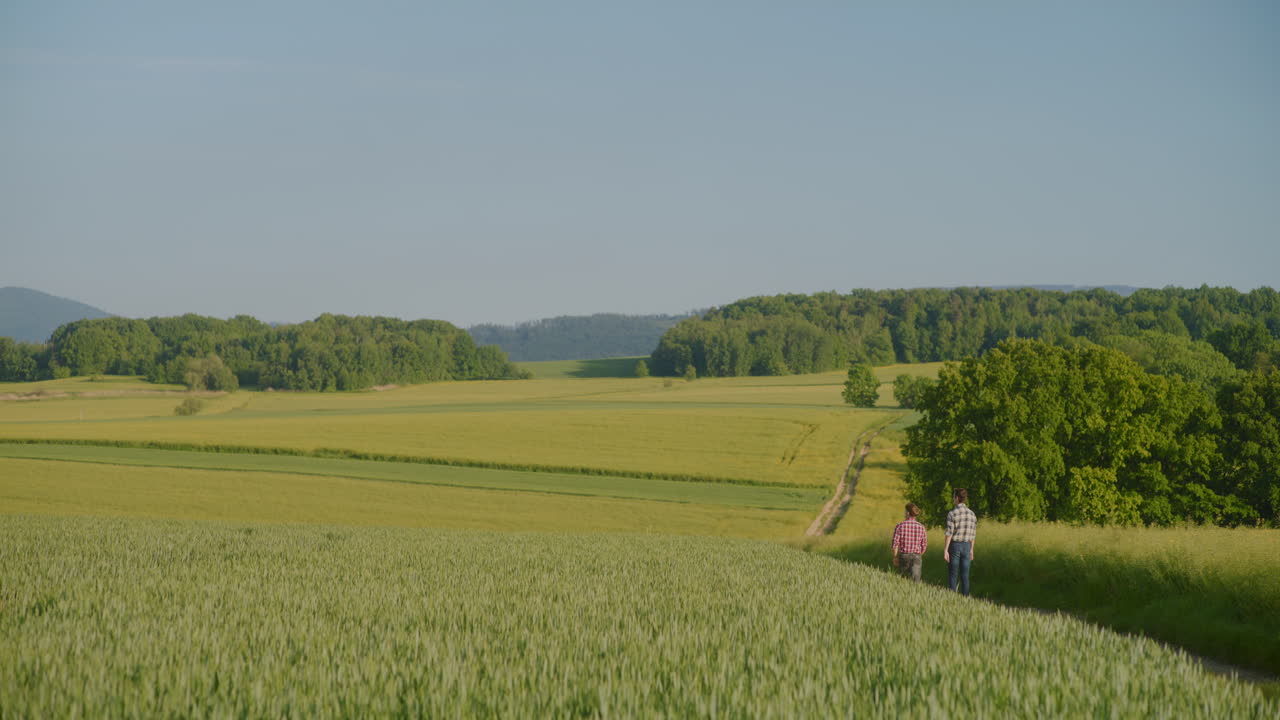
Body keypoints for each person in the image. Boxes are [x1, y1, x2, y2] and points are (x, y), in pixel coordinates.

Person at [943, 487, 977, 596]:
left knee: (953, 573)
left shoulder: (952, 513)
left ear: (957, 498)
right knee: (965, 575)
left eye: (954, 497)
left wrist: (945, 550)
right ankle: (965, 597)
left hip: (955, 545)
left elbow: (949, 533)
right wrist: (971, 549)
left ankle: (952, 597)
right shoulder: (972, 514)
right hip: (967, 546)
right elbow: (973, 534)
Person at [890, 502, 928, 581]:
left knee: (903, 581)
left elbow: (895, 544)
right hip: (916, 557)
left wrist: (895, 557)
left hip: (904, 557)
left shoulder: (900, 526)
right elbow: (924, 546)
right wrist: (918, 554)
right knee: (915, 582)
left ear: (907, 513)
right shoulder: (921, 527)